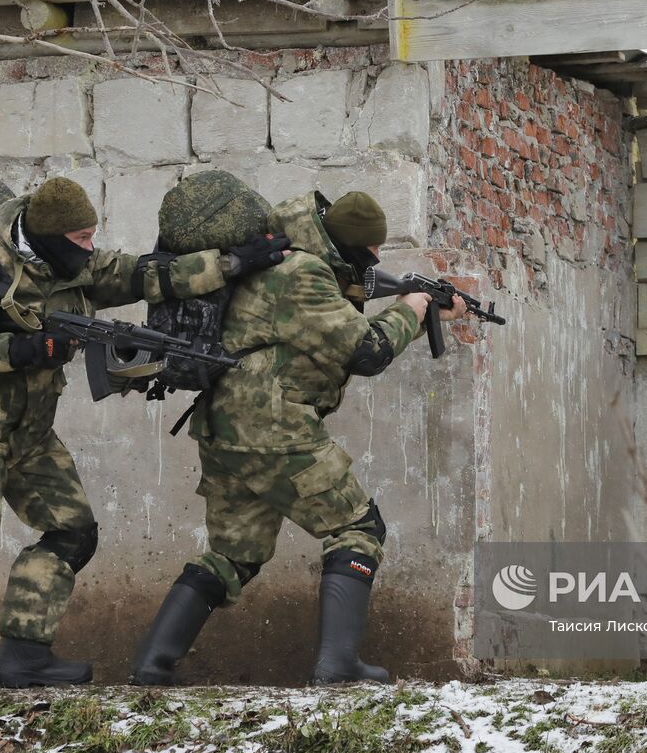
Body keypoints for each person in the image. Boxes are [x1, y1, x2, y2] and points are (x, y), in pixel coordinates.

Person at [0, 177, 286, 712]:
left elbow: (147, 275)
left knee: (73, 534)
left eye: (92, 235)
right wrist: (31, 347)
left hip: (28, 432)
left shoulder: (78, 264)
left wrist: (234, 262)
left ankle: (24, 656)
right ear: (49, 235)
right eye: (80, 236)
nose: (90, 246)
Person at [130, 191, 469, 686]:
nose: (376, 258)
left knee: (234, 555)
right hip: (273, 429)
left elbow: (334, 338)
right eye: (372, 249)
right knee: (358, 529)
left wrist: (421, 317)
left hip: (228, 426)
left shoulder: (284, 261)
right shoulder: (303, 274)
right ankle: (338, 667)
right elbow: (366, 353)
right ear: (348, 244)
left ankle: (151, 665)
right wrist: (414, 307)